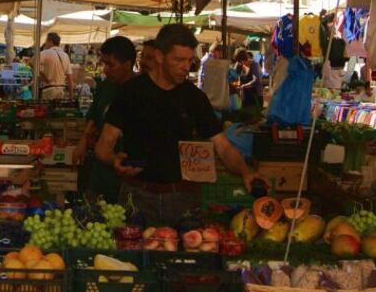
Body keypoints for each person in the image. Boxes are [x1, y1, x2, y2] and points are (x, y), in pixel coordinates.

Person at [95, 24, 258, 225]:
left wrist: (246, 172)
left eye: (190, 60)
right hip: (137, 196)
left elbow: (223, 147)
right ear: (159, 56)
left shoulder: (194, 97)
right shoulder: (131, 93)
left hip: (183, 198)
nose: (185, 67)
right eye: (179, 60)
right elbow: (103, 146)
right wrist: (114, 161)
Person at [74, 36, 137, 202]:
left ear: (128, 64)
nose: (106, 70)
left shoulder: (141, 90)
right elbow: (94, 116)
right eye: (104, 64)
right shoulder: (106, 86)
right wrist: (83, 141)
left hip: (127, 169)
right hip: (101, 169)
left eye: (111, 65)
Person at [39, 32, 72, 99]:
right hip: (61, 90)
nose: (45, 43)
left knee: (48, 109)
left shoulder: (45, 53)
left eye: (46, 41)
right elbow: (69, 77)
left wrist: (43, 75)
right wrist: (71, 95)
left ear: (50, 41)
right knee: (58, 109)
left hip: (49, 89)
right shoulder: (65, 55)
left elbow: (31, 62)